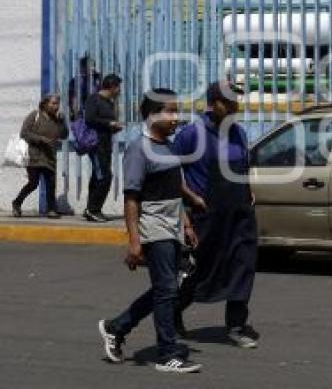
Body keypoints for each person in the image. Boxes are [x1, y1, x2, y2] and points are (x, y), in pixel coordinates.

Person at [98, 88, 204, 374]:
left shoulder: (168, 146)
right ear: (151, 115)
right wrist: (134, 242)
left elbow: (173, 186)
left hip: (172, 225)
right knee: (167, 289)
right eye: (169, 110)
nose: (175, 117)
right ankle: (167, 353)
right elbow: (131, 198)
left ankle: (116, 327)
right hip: (153, 225)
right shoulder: (138, 148)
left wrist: (187, 221)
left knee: (165, 288)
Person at [173, 81, 259, 349]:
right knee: (202, 271)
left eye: (237, 103)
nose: (236, 108)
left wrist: (248, 190)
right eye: (230, 103)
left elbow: (243, 167)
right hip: (207, 214)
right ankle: (173, 312)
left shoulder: (240, 134)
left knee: (243, 266)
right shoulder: (191, 134)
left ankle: (236, 325)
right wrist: (191, 198)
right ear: (214, 103)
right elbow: (170, 173)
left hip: (240, 213)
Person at [12, 94, 69, 218]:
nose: (56, 106)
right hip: (34, 156)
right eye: (53, 103)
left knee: (51, 183)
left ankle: (51, 209)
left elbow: (64, 135)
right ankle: (17, 203)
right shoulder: (35, 115)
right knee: (33, 183)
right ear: (45, 104)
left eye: (57, 104)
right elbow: (24, 133)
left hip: (50, 156)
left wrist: (62, 122)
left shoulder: (57, 119)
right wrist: (41, 139)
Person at [83, 74, 123, 222]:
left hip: (106, 144)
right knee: (104, 177)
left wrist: (114, 128)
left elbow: (104, 122)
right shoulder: (94, 99)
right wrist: (109, 124)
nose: (119, 90)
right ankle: (93, 209)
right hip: (96, 145)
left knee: (97, 177)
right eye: (118, 87)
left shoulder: (109, 102)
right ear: (112, 87)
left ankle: (91, 208)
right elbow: (90, 119)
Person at [68, 56, 102, 120]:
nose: (93, 69)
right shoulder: (75, 82)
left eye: (94, 66)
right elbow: (72, 99)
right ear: (83, 68)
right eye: (90, 67)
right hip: (81, 114)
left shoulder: (98, 79)